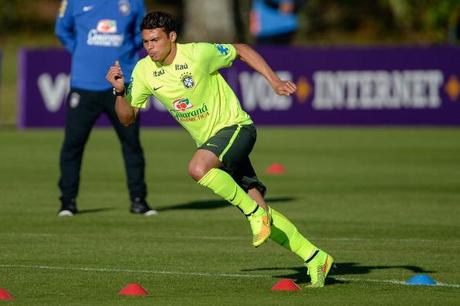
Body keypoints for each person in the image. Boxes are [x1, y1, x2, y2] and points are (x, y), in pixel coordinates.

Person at [106, 11, 334, 287]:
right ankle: (314, 257)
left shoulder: (198, 54)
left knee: (197, 168)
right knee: (264, 212)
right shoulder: (144, 70)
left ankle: (253, 214)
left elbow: (241, 49)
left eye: (155, 40)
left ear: (172, 37)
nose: (150, 47)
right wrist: (119, 91)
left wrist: (273, 81)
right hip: (215, 147)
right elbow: (127, 118)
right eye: (146, 42)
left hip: (236, 129)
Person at [55, 0, 157, 216]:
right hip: (84, 85)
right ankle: (67, 202)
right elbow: (62, 30)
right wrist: (81, 52)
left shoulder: (134, 2)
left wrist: (127, 51)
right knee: (73, 144)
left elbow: (143, 34)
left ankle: (139, 201)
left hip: (122, 84)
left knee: (132, 144)